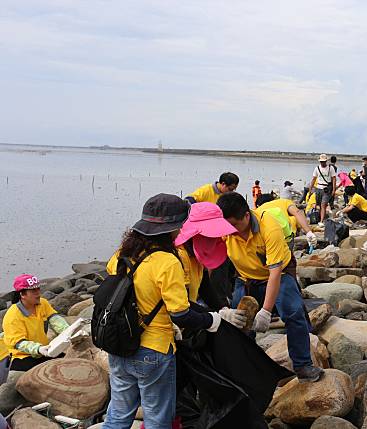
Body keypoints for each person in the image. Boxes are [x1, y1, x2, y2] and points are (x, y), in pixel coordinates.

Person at [103, 194, 238, 428]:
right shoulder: (168, 262)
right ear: (176, 227)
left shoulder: (122, 254)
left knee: (118, 415)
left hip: (119, 346)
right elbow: (180, 313)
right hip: (153, 350)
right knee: (158, 420)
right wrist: (212, 320)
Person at [217, 193, 323, 382]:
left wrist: (265, 311)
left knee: (293, 311)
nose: (230, 230)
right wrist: (221, 306)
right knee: (237, 323)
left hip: (277, 273)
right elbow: (212, 263)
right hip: (245, 276)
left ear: (246, 216)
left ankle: (303, 365)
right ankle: (246, 369)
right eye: (227, 226)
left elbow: (274, 273)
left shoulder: (269, 227)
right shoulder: (223, 229)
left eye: (234, 225)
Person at [3, 274, 70, 371]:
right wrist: (39, 349)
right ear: (22, 294)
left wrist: (69, 332)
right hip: (20, 356)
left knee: (67, 361)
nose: (38, 293)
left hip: (43, 351)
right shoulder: (12, 316)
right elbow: (19, 344)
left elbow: (55, 320)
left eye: (38, 289)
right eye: (33, 291)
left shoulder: (42, 303)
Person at [308, 154, 336, 225]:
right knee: (319, 205)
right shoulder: (317, 168)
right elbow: (313, 179)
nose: (322, 163)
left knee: (323, 204)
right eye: (321, 162)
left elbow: (334, 179)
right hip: (318, 188)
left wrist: (334, 190)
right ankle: (321, 217)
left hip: (327, 189)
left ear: (326, 161)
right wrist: (310, 189)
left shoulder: (330, 168)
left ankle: (321, 221)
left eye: (323, 161)